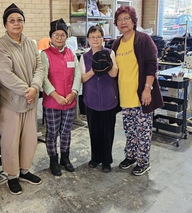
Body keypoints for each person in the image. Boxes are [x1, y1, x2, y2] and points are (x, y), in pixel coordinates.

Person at [0, 3, 44, 195]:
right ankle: (12, 175)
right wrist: (26, 90)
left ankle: (25, 171)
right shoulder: (0, 45)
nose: (16, 23)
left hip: (30, 101)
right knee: (10, 141)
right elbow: (4, 75)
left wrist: (35, 87)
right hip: (11, 102)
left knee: (30, 139)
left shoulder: (31, 44)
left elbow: (40, 68)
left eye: (19, 20)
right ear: (5, 24)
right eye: (11, 20)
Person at [112, 6, 163, 176]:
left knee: (143, 131)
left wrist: (147, 89)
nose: (123, 22)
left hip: (141, 95)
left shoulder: (143, 39)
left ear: (133, 20)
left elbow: (152, 64)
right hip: (125, 95)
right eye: (120, 20)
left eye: (126, 18)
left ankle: (143, 161)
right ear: (116, 24)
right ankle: (131, 156)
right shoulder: (116, 43)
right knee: (130, 130)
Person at [41, 18, 81, 176]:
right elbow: (43, 78)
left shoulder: (71, 53)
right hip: (53, 102)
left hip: (70, 101)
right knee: (52, 132)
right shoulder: (45, 55)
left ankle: (65, 157)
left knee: (66, 131)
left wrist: (74, 92)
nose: (59, 37)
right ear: (51, 36)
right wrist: (56, 96)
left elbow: (78, 74)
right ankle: (53, 159)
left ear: (66, 36)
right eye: (56, 34)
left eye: (62, 34)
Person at [79, 25, 118, 173]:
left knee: (108, 131)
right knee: (94, 131)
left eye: (98, 36)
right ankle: (95, 158)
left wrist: (107, 65)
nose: (96, 39)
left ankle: (107, 161)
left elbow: (114, 74)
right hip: (91, 100)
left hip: (109, 99)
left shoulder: (110, 53)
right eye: (92, 37)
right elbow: (82, 78)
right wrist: (93, 70)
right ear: (88, 39)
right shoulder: (84, 57)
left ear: (103, 38)